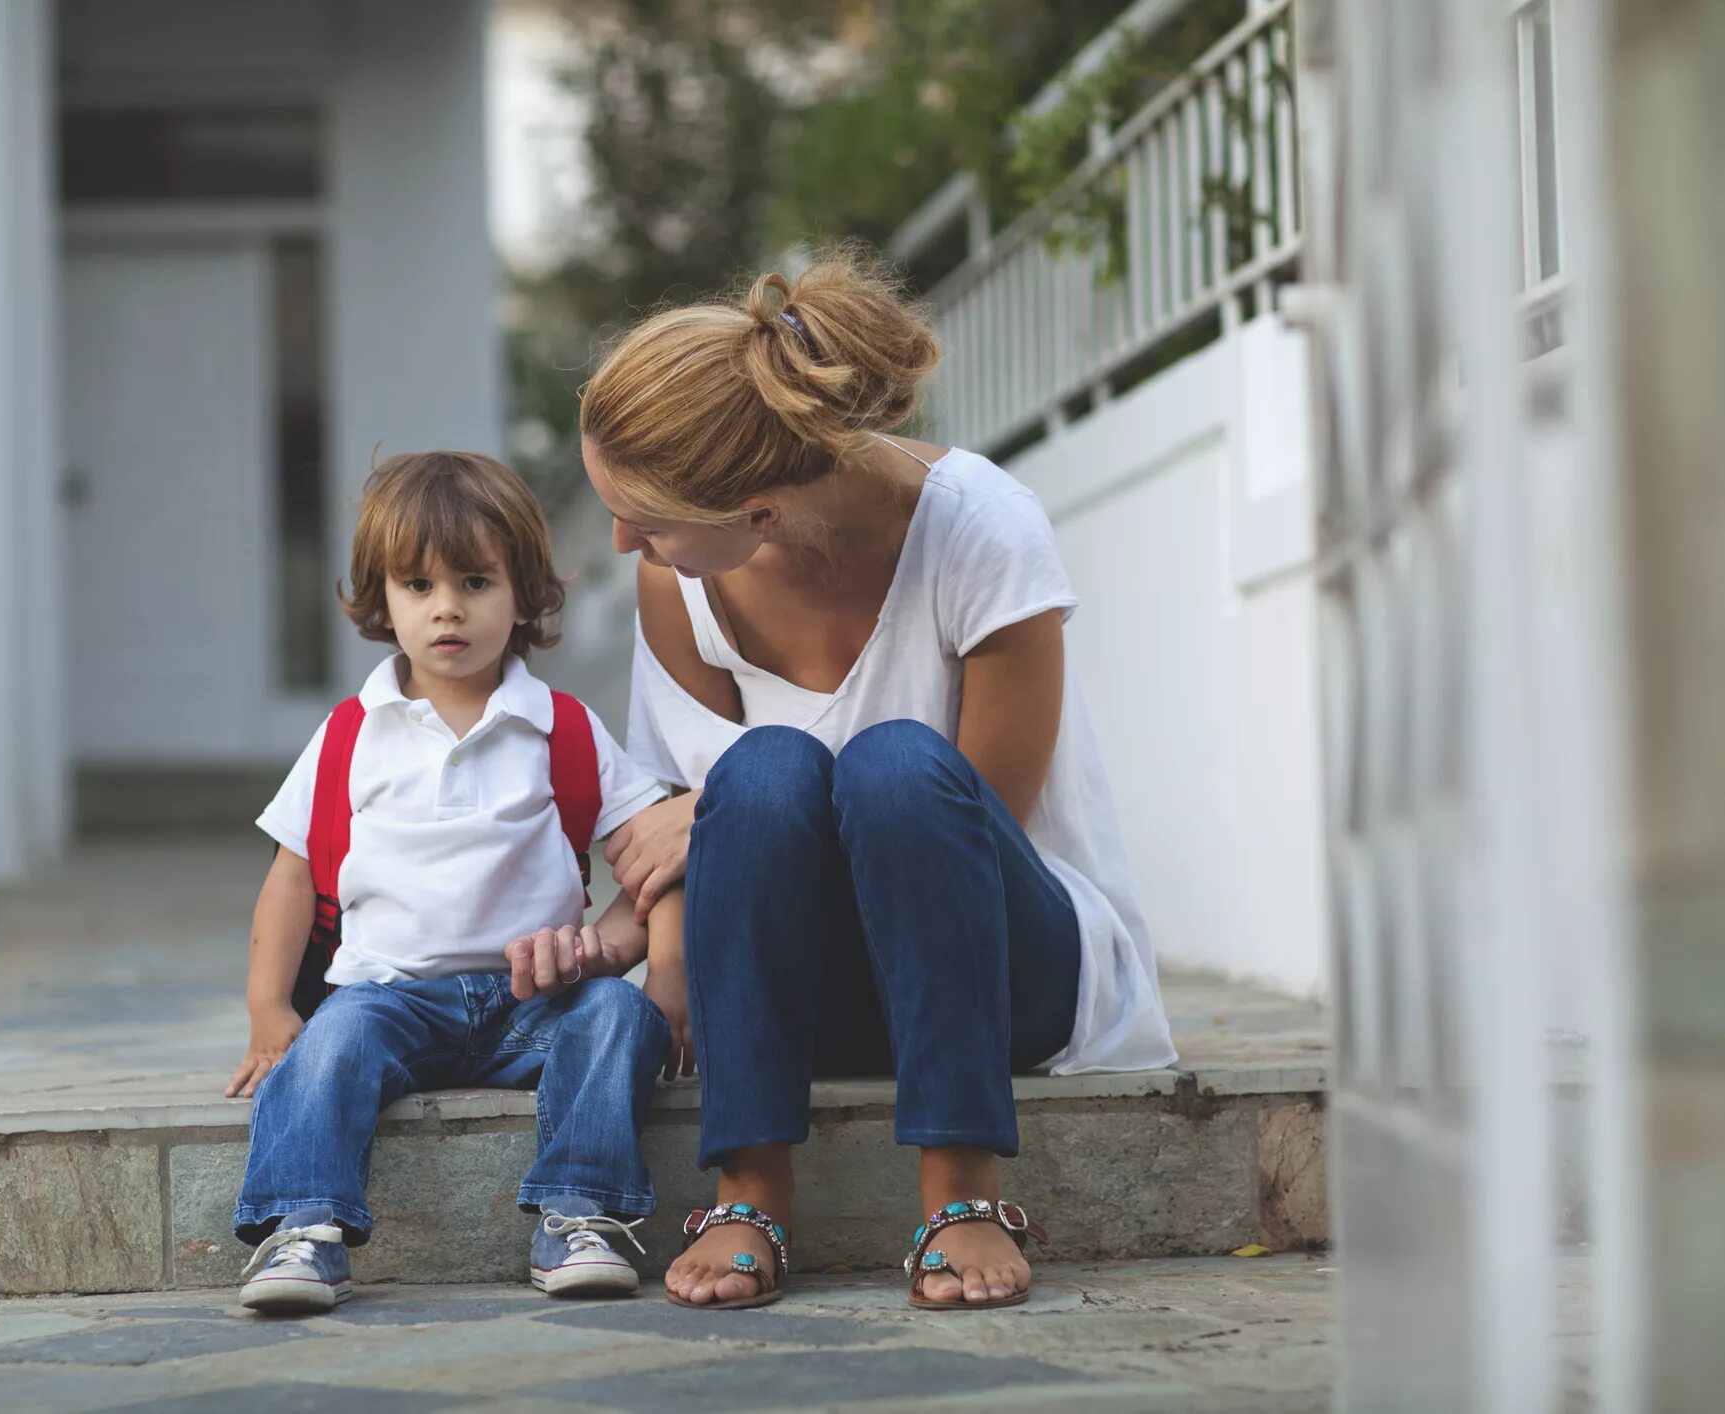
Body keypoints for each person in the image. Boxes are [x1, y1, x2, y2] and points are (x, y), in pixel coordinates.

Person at [581, 245, 1176, 1312]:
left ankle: (963, 1186)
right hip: (802, 990)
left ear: (757, 515)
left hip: (996, 972)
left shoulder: (980, 527)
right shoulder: (678, 586)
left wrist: (699, 813)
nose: (627, 540)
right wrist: (667, 941)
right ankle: (749, 1190)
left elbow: (975, 829)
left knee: (897, 764)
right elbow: (680, 840)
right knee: (762, 768)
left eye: (649, 519)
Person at [227, 451, 673, 1315]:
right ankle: (301, 1226)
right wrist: (267, 1007)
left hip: (533, 1003)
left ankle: (579, 1211)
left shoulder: (563, 729)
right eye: (417, 585)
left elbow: (651, 862)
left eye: (475, 581)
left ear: (524, 593)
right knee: (323, 1051)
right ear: (379, 599)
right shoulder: (351, 735)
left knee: (620, 1017)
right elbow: (290, 876)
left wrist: (632, 965)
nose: (447, 609)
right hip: (387, 997)